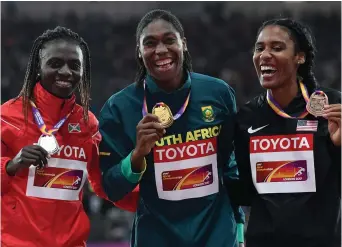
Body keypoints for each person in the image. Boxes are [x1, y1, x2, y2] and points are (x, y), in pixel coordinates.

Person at [99, 9, 245, 247]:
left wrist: (238, 228)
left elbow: (230, 168)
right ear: (139, 51)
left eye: (169, 40)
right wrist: (137, 156)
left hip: (217, 237)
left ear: (183, 44)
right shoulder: (119, 108)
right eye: (150, 43)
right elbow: (111, 189)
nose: (161, 50)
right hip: (156, 238)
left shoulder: (218, 93)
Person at [230, 18, 341, 247]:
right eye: (259, 48)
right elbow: (244, 193)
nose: (264, 55)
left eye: (277, 48)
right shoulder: (247, 117)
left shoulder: (331, 106)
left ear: (300, 57)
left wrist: (339, 147)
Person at [1, 26, 108, 247]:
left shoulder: (88, 123)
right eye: (55, 63)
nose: (66, 72)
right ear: (38, 68)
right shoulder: (7, 117)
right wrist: (11, 165)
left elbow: (104, 182)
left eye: (75, 65)